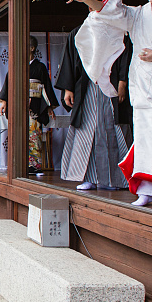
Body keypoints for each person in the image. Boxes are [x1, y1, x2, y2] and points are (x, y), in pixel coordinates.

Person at [65, 0, 152, 206]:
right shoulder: (137, 14)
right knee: (145, 136)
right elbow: (111, 11)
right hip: (144, 83)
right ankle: (148, 189)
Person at [55, 10, 132, 191]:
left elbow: (126, 57)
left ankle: (115, 179)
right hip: (87, 86)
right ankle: (88, 177)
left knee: (110, 130)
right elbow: (70, 59)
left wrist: (122, 82)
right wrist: (68, 88)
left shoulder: (118, 30)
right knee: (87, 130)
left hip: (110, 84)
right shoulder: (80, 32)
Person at [0, 36, 61, 172]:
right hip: (17, 106)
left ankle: (34, 165)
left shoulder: (40, 67)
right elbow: (8, 85)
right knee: (17, 135)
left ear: (32, 48)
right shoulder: (15, 67)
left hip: (35, 106)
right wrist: (4, 102)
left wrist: (49, 107)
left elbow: (46, 88)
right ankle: (18, 164)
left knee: (34, 135)